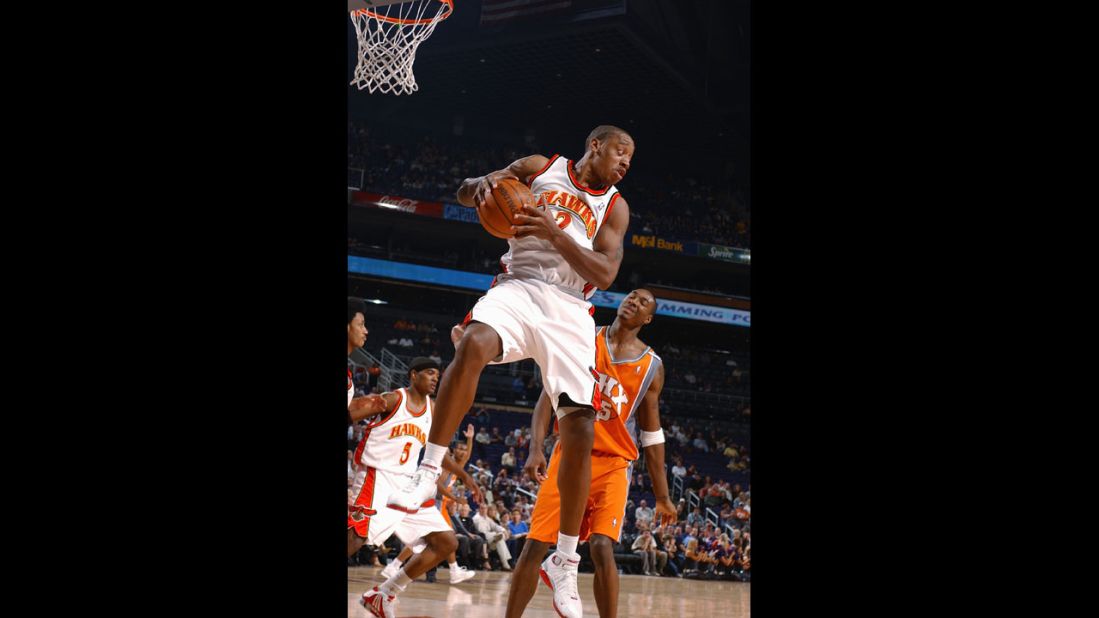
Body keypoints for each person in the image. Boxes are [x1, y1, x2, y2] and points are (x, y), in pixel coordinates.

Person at [388, 126, 636, 618]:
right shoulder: (540, 168)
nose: (626, 161)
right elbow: (466, 191)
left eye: (631, 157)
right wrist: (480, 185)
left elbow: (604, 275)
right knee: (474, 342)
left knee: (581, 425)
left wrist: (552, 231)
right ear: (595, 146)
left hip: (570, 309)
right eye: (620, 151)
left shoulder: (615, 206)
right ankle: (428, 468)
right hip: (519, 285)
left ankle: (565, 560)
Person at [504, 288, 674, 618]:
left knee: (601, 545)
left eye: (642, 303)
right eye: (631, 296)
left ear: (647, 318)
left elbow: (652, 436)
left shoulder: (652, 366)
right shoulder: (583, 336)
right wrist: (535, 448)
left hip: (613, 463)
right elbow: (546, 399)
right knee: (536, 544)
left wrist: (663, 495)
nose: (633, 302)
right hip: (569, 455)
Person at [346, 358, 482, 617]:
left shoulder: (433, 411)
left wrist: (466, 476)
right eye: (429, 373)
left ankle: (383, 594)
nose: (435, 378)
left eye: (437, 375)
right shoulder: (392, 400)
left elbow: (438, 454)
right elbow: (353, 411)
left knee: (445, 541)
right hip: (377, 476)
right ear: (413, 375)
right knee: (355, 537)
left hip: (408, 484)